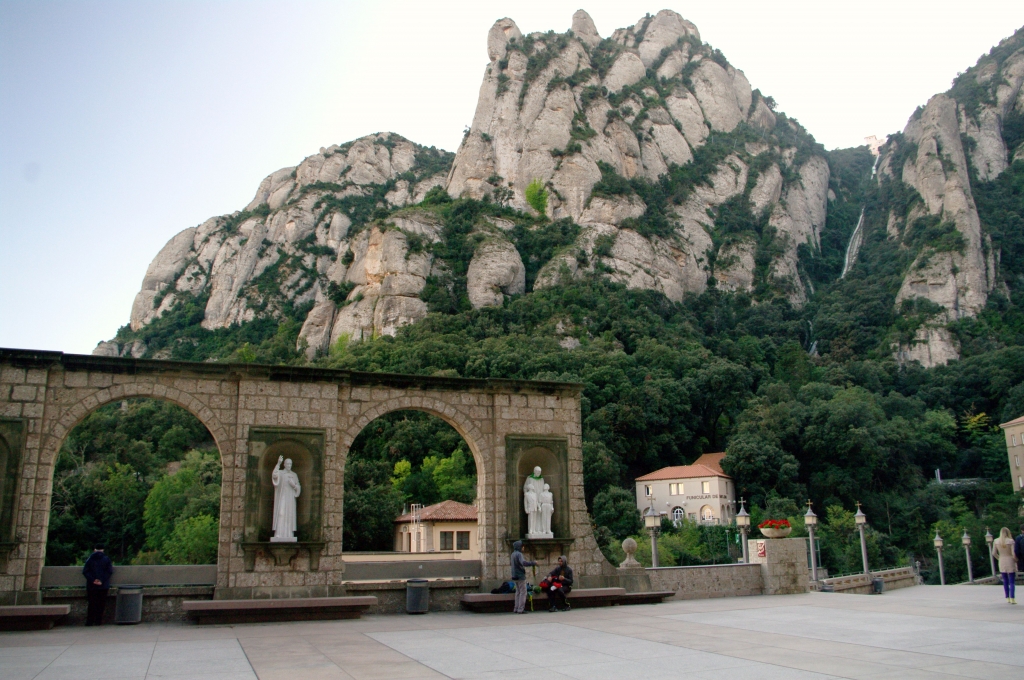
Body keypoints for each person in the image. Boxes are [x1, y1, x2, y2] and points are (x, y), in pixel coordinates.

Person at [82, 544, 113, 626]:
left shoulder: (90, 559)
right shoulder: (106, 559)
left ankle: (89, 621)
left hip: (91, 586)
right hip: (103, 585)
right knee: (101, 604)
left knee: (92, 603)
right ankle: (98, 621)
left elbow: (85, 571)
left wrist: (93, 580)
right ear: (103, 550)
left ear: (94, 549)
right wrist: (101, 580)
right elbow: (109, 571)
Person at [510, 540, 536, 614]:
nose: (523, 548)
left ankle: (516, 608)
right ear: (520, 547)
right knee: (523, 592)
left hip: (514, 575)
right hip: (520, 575)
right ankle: (521, 609)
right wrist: (533, 563)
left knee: (518, 592)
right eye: (522, 546)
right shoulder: (519, 554)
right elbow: (523, 563)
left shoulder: (513, 554)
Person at [994, 527, 1017, 604]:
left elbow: (994, 553)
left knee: (1005, 580)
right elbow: (1013, 553)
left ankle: (1007, 597)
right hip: (1010, 560)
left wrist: (999, 558)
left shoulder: (996, 541)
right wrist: (1016, 560)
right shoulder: (1011, 541)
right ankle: (1012, 598)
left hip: (1002, 560)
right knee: (1012, 581)